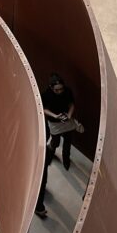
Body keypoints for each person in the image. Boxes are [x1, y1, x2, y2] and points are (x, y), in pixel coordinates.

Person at [35, 73, 81, 218]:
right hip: (54, 124)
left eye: (61, 89)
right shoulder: (47, 94)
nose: (60, 91)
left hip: (66, 122)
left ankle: (66, 160)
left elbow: (71, 104)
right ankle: (51, 156)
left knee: (67, 142)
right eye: (57, 90)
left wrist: (69, 114)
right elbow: (43, 108)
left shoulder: (67, 91)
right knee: (54, 142)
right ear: (51, 88)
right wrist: (55, 116)